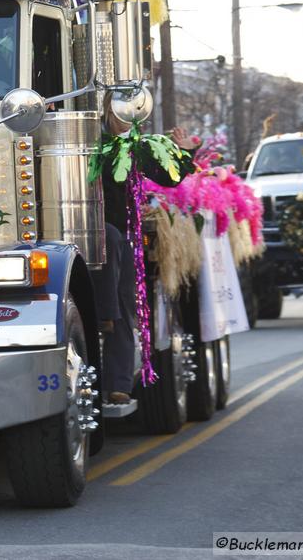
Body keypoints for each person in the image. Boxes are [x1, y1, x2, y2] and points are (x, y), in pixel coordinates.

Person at [95, 110, 197, 405]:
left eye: (129, 114)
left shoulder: (138, 147)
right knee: (109, 239)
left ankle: (119, 385)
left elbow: (170, 178)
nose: (124, 119)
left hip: (122, 237)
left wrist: (184, 152)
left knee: (125, 311)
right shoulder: (85, 143)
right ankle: (104, 316)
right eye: (118, 113)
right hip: (69, 234)